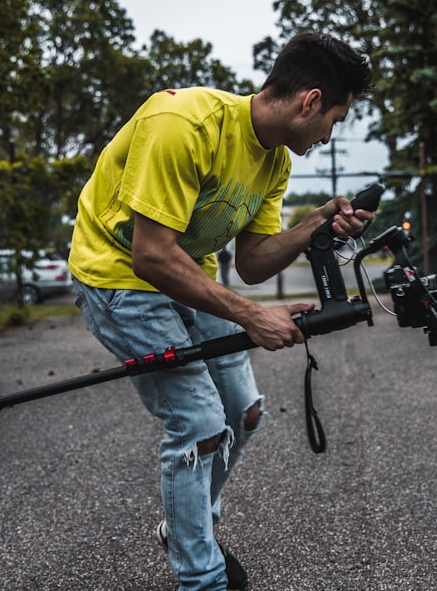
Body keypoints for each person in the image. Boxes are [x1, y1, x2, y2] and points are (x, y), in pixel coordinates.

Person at [67, 32, 373, 591]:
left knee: (243, 411)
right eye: (335, 118)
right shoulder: (184, 125)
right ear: (310, 101)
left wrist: (315, 225)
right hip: (117, 277)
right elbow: (150, 254)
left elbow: (254, 263)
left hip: (183, 273)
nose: (331, 134)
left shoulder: (275, 162)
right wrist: (252, 317)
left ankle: (188, 526)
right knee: (200, 424)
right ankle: (201, 578)